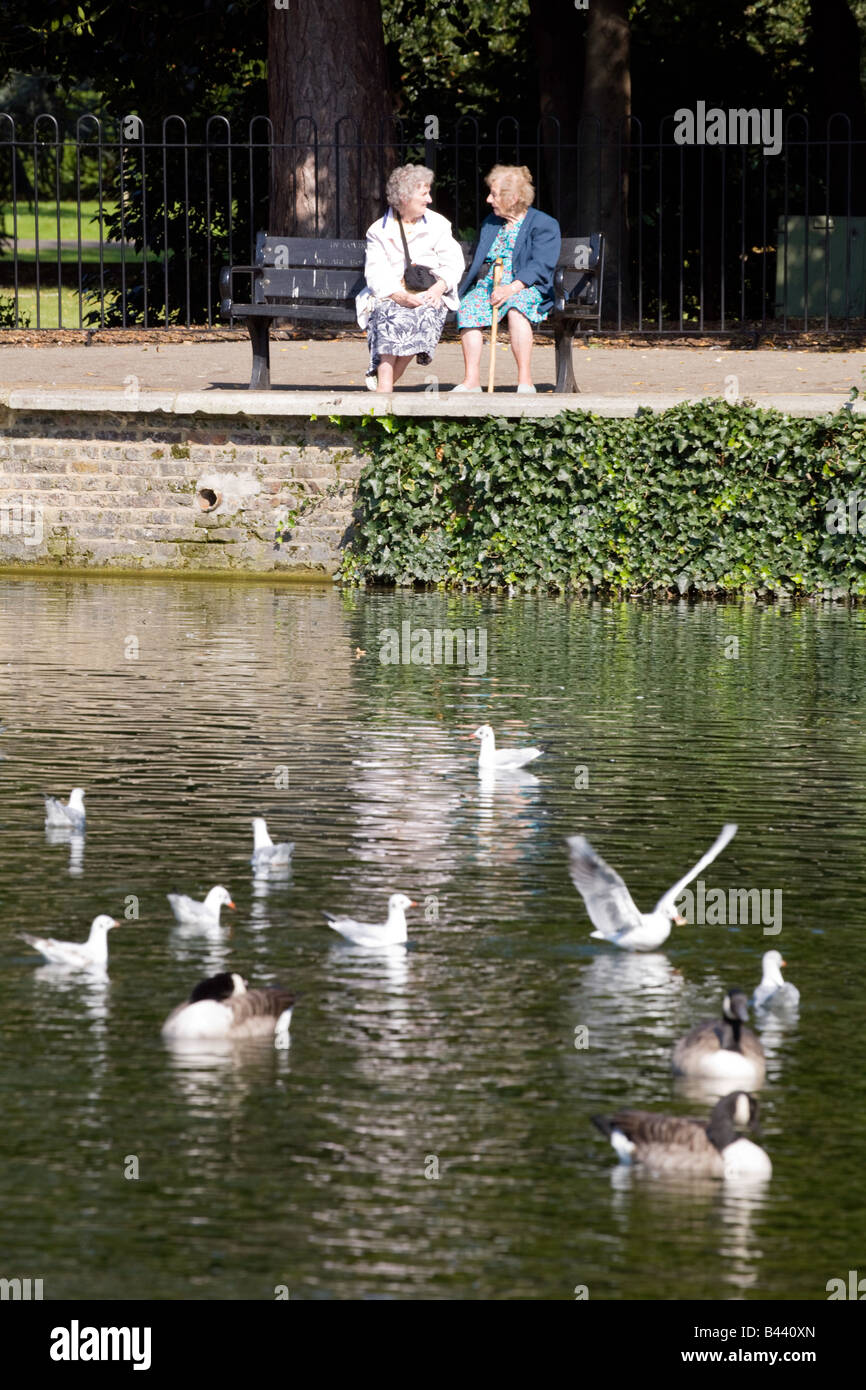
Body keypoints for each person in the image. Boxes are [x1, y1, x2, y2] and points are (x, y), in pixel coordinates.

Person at [356, 165, 466, 392]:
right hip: (392, 294)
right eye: (424, 194)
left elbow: (454, 263)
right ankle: (385, 387)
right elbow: (375, 272)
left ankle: (383, 388)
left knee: (422, 314)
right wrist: (398, 295)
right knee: (389, 313)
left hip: (430, 293)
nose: (430, 199)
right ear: (405, 197)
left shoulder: (438, 225)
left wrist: (438, 288)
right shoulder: (378, 231)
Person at [453, 165, 561, 393]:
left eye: (494, 194)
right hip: (491, 285)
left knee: (516, 308)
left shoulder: (544, 224)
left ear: (512, 198)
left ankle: (525, 381)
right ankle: (471, 381)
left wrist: (511, 288)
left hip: (527, 285)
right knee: (469, 307)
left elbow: (541, 266)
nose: (488, 199)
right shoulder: (492, 223)